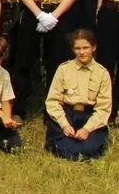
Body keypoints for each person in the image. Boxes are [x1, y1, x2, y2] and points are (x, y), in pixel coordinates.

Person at [45, 28, 112, 161]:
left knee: (90, 146)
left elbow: (103, 107)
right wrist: (64, 124)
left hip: (89, 116)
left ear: (94, 47)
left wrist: (87, 129)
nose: (81, 52)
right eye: (77, 48)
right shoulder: (63, 69)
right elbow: (53, 100)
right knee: (61, 144)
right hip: (68, 114)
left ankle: (83, 149)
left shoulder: (102, 73)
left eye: (85, 48)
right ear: (73, 49)